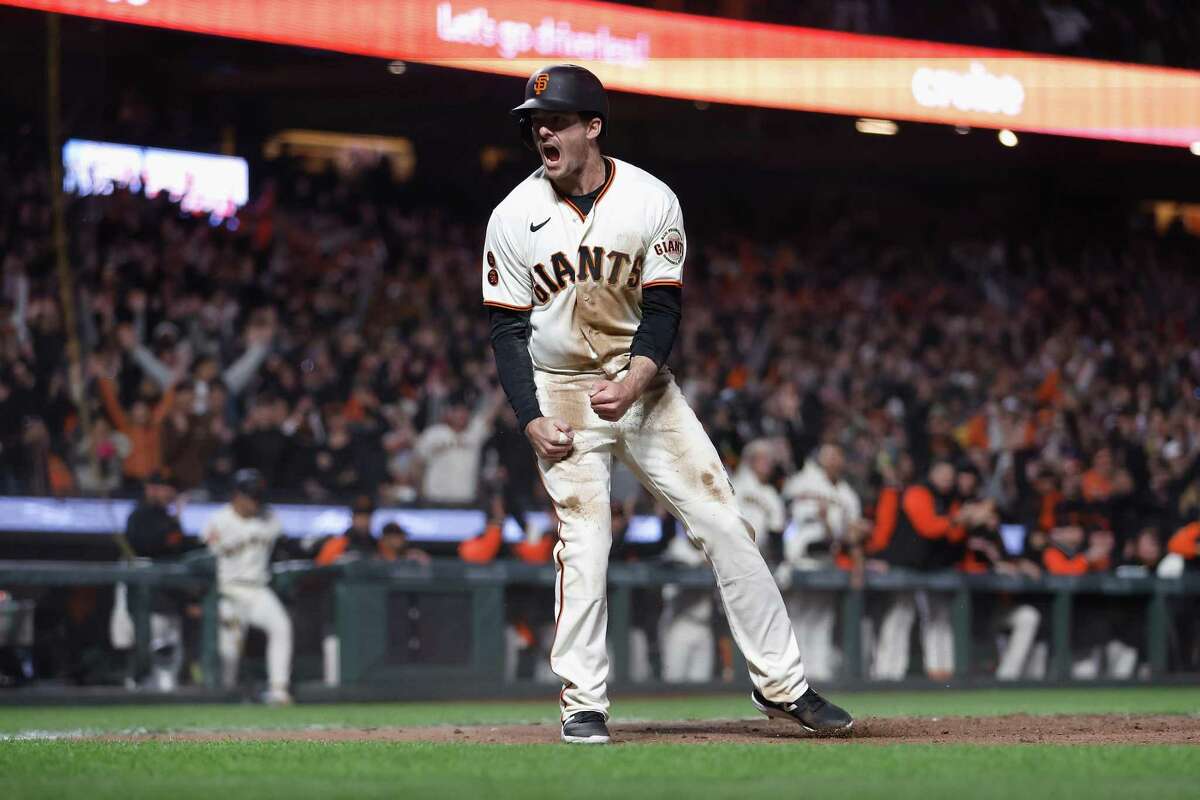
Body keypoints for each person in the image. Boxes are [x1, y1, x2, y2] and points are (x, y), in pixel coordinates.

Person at [485, 64, 851, 744]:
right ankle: (583, 703)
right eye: (536, 123)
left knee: (723, 520)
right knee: (586, 541)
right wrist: (529, 416)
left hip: (645, 384)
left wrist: (635, 378)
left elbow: (663, 308)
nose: (543, 131)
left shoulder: (651, 200)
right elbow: (507, 329)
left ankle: (783, 685)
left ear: (593, 127)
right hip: (561, 387)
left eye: (558, 120)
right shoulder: (512, 216)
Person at [201, 468, 293, 704]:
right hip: (228, 590)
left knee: (281, 626)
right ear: (236, 495)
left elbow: (284, 549)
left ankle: (278, 690)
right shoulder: (218, 520)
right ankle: (225, 694)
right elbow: (205, 563)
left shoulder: (270, 518)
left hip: (258, 589)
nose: (256, 500)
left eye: (258, 495)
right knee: (229, 651)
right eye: (250, 495)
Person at [779, 443, 863, 681]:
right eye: (830, 456)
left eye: (838, 456)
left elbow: (852, 533)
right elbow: (784, 517)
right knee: (796, 618)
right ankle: (794, 675)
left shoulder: (847, 494)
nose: (834, 461)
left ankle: (817, 673)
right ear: (820, 459)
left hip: (827, 559)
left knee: (822, 618)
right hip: (797, 557)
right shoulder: (803, 481)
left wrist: (856, 548)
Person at [115, 471, 200, 691]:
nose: (170, 492)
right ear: (150, 489)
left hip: (167, 593)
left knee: (168, 648)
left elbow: (177, 549)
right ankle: (135, 686)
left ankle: (161, 693)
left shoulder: (167, 517)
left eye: (171, 488)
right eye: (164, 487)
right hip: (144, 591)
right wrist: (175, 521)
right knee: (145, 643)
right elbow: (150, 545)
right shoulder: (140, 515)